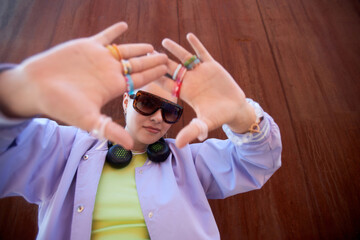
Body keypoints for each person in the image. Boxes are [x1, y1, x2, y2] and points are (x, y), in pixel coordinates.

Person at [0, 22, 282, 240]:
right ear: (127, 101)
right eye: (147, 103)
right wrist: (19, 90)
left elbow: (256, 162)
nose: (159, 117)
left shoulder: (189, 163)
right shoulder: (62, 149)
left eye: (170, 111)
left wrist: (241, 114)